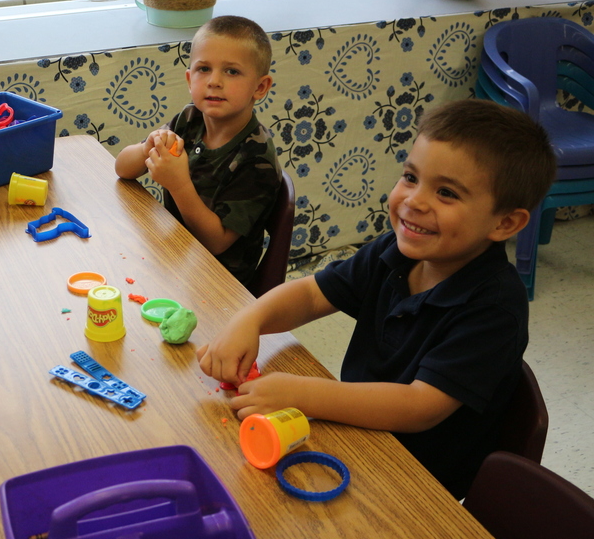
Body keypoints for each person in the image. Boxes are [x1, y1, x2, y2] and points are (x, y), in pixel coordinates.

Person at [197, 99, 557, 499]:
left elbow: (419, 406)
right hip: (357, 435)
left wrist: (301, 393)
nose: (415, 201)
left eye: (447, 193)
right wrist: (249, 320)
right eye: (410, 177)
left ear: (505, 223)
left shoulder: (495, 307)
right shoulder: (397, 251)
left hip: (416, 483)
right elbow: (313, 293)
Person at [114, 15, 280, 292]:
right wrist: (147, 147)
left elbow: (216, 243)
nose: (214, 81)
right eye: (204, 69)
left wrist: (178, 184)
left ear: (260, 88)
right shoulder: (190, 119)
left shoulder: (256, 157)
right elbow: (122, 169)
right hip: (173, 255)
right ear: (190, 79)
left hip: (218, 285)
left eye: (232, 72)